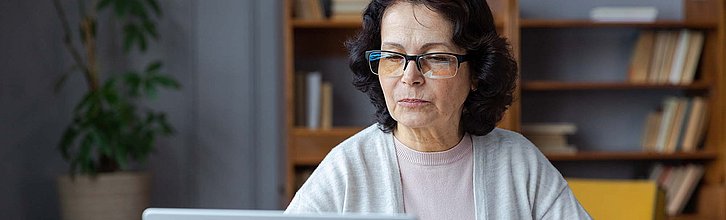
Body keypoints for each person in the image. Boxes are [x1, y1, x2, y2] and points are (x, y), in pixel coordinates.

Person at [286, 0, 591, 219]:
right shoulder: (346, 168)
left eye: (436, 58)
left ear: (476, 73)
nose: (410, 77)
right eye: (393, 57)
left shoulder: (519, 163)